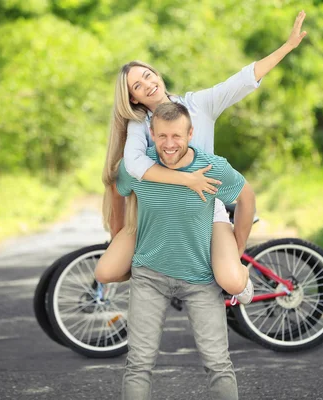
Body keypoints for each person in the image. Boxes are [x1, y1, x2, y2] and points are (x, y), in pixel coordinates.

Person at [95, 11, 308, 303]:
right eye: (137, 86)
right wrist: (185, 179)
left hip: (205, 207)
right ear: (133, 98)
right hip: (158, 215)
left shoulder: (200, 105)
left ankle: (234, 264)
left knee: (232, 282)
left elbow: (243, 79)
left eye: (148, 76)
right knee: (107, 271)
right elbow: (133, 165)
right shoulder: (139, 126)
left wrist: (287, 47)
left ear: (157, 74)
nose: (147, 85)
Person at [117, 102, 255, 400]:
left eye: (177, 136)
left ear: (191, 133)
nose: (169, 144)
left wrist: (237, 248)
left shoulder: (212, 167)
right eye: (162, 136)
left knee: (218, 363)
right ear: (151, 134)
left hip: (200, 278)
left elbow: (246, 196)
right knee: (138, 364)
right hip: (149, 276)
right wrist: (121, 239)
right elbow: (120, 196)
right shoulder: (137, 168)